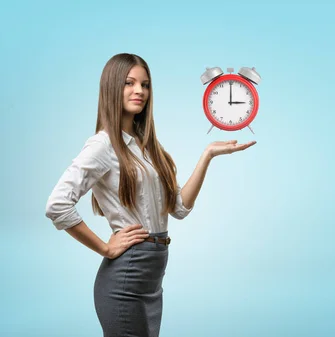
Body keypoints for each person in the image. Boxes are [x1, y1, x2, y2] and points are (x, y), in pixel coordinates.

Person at [45, 53, 256, 337]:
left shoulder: (146, 149)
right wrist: (105, 249)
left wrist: (207, 155)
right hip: (126, 278)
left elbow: (179, 208)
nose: (139, 91)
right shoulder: (103, 145)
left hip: (152, 278)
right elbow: (57, 205)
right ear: (111, 88)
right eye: (129, 83)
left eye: (145, 85)